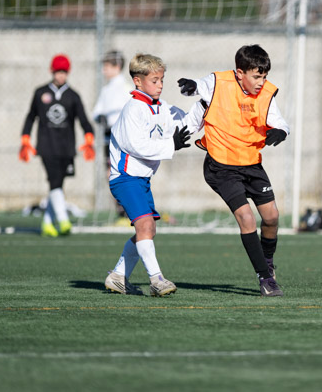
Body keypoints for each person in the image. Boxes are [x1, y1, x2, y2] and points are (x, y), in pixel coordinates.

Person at [177, 44, 288, 297]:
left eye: (264, 76)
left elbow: (280, 122)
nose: (261, 82)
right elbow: (201, 85)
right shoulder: (220, 83)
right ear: (240, 73)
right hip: (222, 166)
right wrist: (192, 86)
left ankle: (267, 261)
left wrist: (280, 131)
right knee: (246, 218)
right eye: (256, 76)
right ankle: (265, 279)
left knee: (272, 217)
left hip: (251, 163)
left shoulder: (266, 94)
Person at [103, 53, 204, 297]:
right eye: (154, 80)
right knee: (146, 226)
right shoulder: (133, 109)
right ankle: (157, 280)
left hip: (141, 179)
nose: (160, 85)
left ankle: (117, 276)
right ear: (138, 81)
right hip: (125, 178)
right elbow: (137, 146)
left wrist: (205, 102)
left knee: (147, 230)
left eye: (161, 80)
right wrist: (171, 145)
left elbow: (187, 124)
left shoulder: (161, 108)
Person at [20, 54, 95, 237]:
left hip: (66, 148)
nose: (60, 75)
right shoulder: (40, 93)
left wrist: (89, 137)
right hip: (46, 146)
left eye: (64, 72)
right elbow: (31, 116)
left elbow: (83, 119)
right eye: (58, 71)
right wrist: (25, 138)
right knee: (54, 181)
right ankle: (63, 220)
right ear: (51, 71)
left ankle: (47, 223)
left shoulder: (73, 96)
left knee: (58, 184)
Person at [92, 50, 132, 217]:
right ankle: (121, 210)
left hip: (122, 138)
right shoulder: (106, 89)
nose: (104, 70)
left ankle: (129, 211)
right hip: (108, 138)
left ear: (117, 66)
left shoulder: (126, 88)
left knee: (124, 173)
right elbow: (97, 111)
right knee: (110, 174)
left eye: (107, 66)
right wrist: (100, 117)